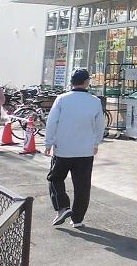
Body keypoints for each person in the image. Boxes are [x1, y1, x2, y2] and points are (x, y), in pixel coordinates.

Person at [44, 69, 106, 228]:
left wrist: (48, 143)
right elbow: (100, 125)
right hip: (85, 150)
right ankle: (77, 219)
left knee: (55, 178)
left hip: (63, 149)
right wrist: (96, 143)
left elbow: (51, 122)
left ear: (71, 82)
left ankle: (63, 207)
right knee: (82, 185)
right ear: (86, 82)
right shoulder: (95, 101)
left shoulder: (62, 99)